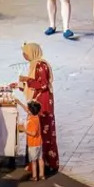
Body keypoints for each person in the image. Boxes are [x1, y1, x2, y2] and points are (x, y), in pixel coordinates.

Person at [21, 41, 60, 177]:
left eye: (25, 53)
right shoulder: (34, 65)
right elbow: (33, 85)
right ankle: (35, 163)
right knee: (37, 130)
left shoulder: (41, 65)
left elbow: (42, 84)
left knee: (43, 130)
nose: (24, 56)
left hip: (43, 102)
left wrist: (27, 80)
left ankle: (47, 163)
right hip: (38, 99)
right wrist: (20, 85)